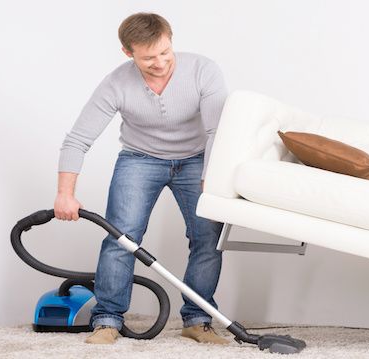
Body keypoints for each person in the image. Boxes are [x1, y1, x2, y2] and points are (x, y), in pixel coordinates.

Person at [53, 12, 229, 345]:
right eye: (148, 58)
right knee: (122, 236)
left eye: (165, 53)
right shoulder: (116, 83)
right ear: (128, 52)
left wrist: (211, 176)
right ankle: (107, 319)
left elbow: (217, 131)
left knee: (208, 237)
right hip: (140, 159)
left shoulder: (203, 70)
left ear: (171, 40)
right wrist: (65, 193)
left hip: (197, 159)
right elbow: (78, 139)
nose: (160, 63)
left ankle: (198, 319)